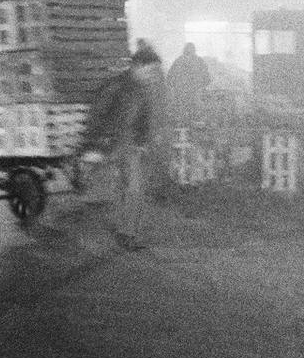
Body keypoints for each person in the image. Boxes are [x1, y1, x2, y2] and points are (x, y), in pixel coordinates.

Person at [80, 40, 165, 250]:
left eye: (155, 72)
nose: (152, 76)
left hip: (129, 143)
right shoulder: (116, 86)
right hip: (108, 141)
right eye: (150, 71)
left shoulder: (143, 90)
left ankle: (127, 234)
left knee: (135, 188)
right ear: (137, 67)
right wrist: (94, 144)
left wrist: (143, 141)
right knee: (103, 189)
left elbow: (144, 117)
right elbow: (97, 115)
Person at [166, 42, 211, 127]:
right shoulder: (199, 61)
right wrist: (201, 86)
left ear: (184, 50)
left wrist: (174, 87)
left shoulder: (178, 61)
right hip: (195, 93)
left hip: (180, 94)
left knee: (182, 116)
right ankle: (194, 131)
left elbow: (169, 77)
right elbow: (207, 78)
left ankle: (183, 131)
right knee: (195, 116)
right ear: (194, 50)